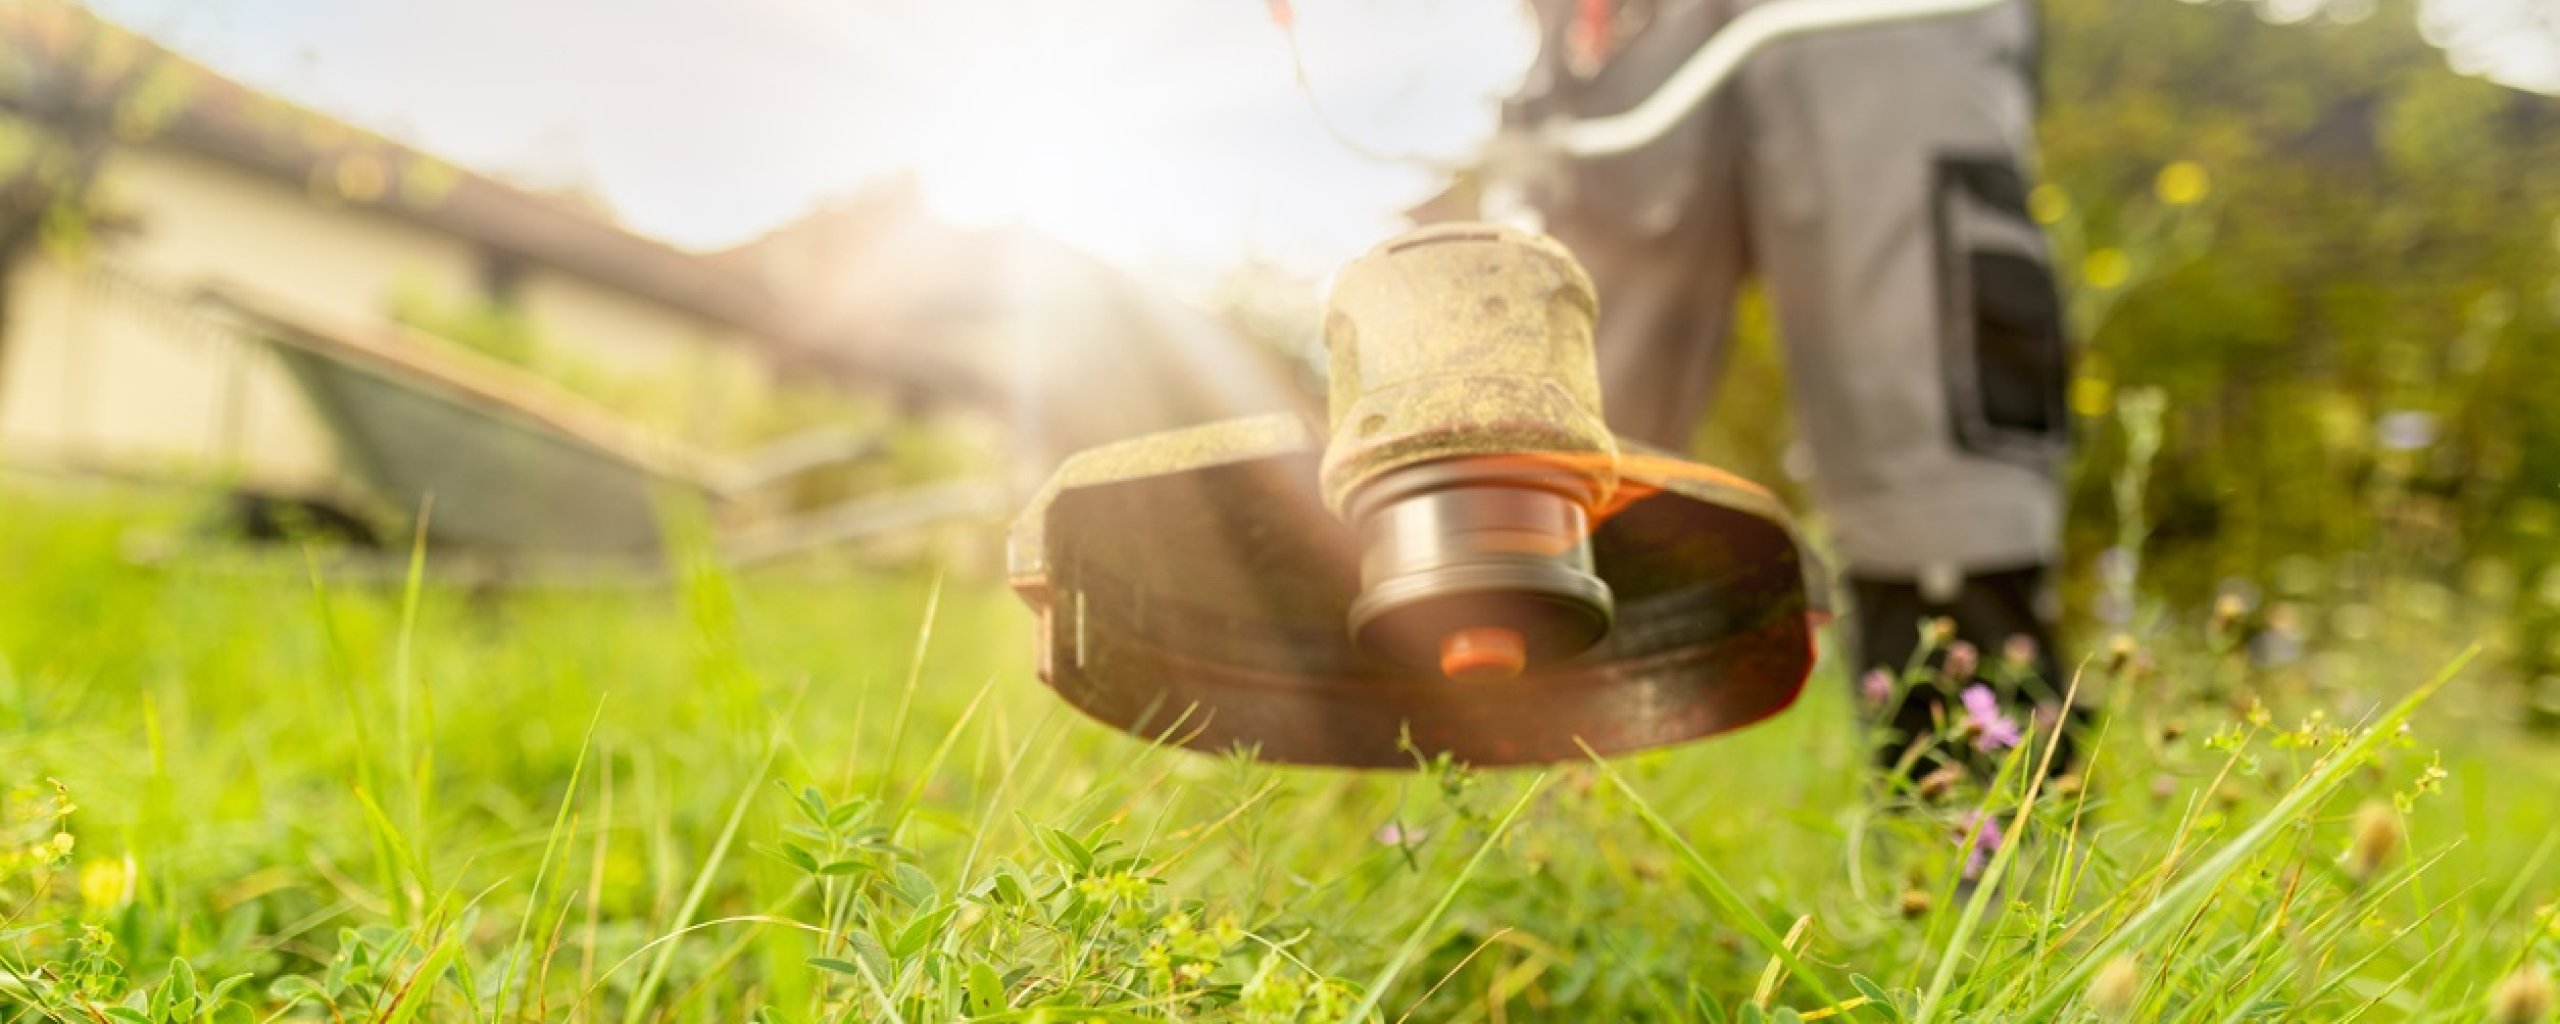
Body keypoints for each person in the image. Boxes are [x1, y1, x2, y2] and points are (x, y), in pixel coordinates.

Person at [1506, 0, 2080, 776]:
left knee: (1920, 422)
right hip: (1633, 25)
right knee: (1557, 429)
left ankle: (1977, 811)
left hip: (1874, 27)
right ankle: (1518, 808)